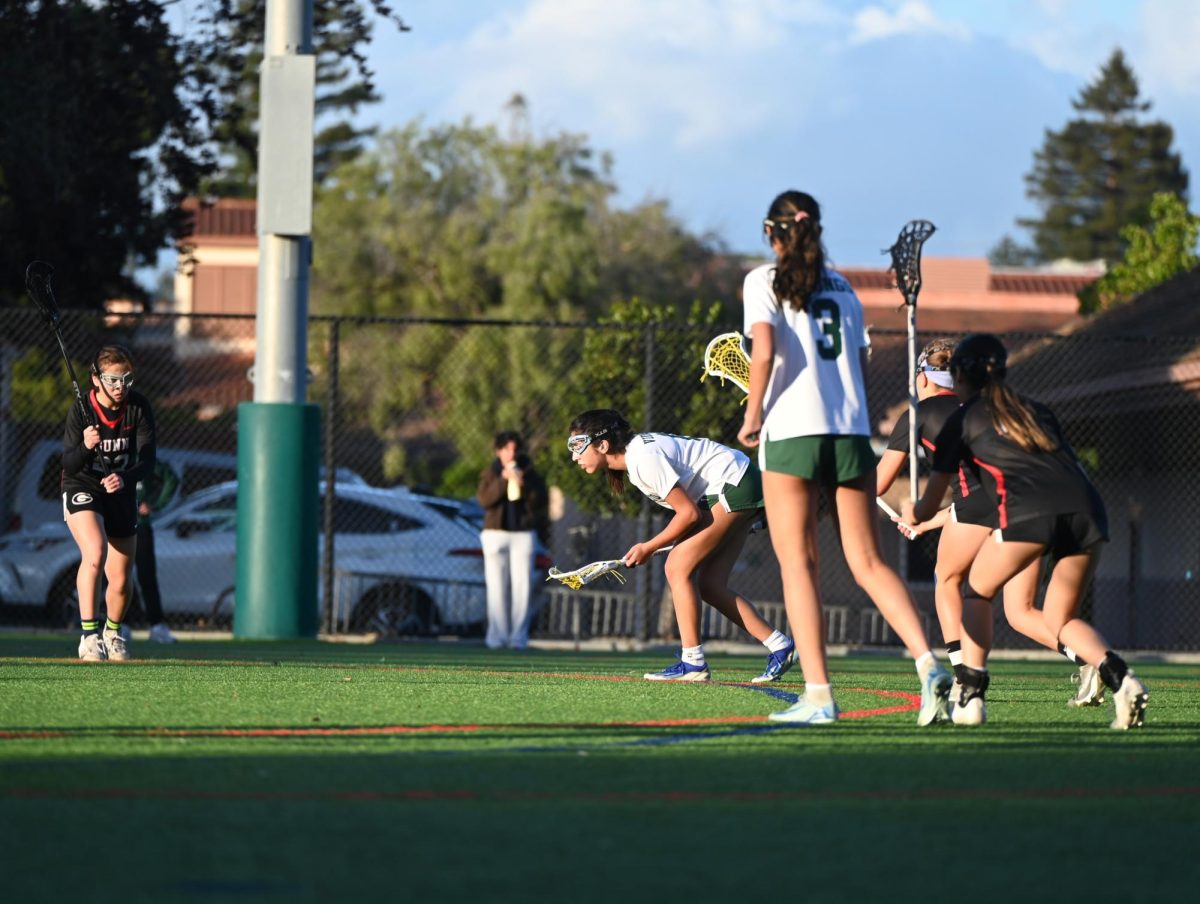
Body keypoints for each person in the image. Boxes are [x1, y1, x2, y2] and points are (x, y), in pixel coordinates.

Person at [737, 189, 952, 726]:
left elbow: (763, 351)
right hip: (851, 435)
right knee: (869, 562)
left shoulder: (761, 280)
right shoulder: (844, 289)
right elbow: (856, 360)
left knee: (799, 564)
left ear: (772, 231)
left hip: (792, 436)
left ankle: (819, 695)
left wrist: (752, 412)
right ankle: (929, 663)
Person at [903, 333, 1148, 729]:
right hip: (1088, 510)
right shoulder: (1035, 410)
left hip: (1029, 514)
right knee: (1059, 618)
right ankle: (1121, 679)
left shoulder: (960, 420)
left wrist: (914, 513)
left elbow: (929, 504)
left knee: (976, 591)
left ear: (961, 376)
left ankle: (972, 694)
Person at [877, 337, 1046, 723]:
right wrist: (927, 522)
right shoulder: (998, 410)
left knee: (949, 579)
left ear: (923, 377)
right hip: (1031, 509)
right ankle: (1097, 663)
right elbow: (985, 486)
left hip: (975, 511)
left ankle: (962, 679)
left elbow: (880, 483)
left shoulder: (920, 414)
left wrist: (839, 481)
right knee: (1022, 612)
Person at [567, 409, 796, 683]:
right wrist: (660, 544)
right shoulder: (636, 459)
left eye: (577, 445)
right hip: (736, 484)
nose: (574, 456)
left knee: (676, 567)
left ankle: (693, 663)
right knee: (710, 585)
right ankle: (780, 646)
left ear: (602, 444)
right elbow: (690, 514)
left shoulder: (641, 460)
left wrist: (649, 546)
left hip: (732, 485)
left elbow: (688, 514)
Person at [62, 344, 156, 661]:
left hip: (120, 487)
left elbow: (148, 461)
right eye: (113, 379)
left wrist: (125, 478)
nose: (120, 387)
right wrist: (87, 446)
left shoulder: (138, 408)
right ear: (96, 379)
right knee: (95, 551)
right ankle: (89, 635)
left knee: (120, 576)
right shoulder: (81, 410)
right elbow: (70, 464)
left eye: (126, 379)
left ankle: (112, 633)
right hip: (83, 484)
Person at [476, 431, 549, 649]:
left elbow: (539, 501)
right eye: (506, 449)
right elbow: (484, 500)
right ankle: (496, 638)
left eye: (515, 449)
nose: (511, 453)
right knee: (497, 588)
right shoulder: (490, 472)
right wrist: (502, 480)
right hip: (495, 535)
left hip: (522, 535)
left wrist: (523, 482)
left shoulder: (530, 471)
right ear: (498, 451)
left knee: (522, 587)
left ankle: (518, 638)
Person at [135, 458, 180, 644]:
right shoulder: (109, 453)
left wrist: (155, 505)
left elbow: (171, 478)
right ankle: (119, 626)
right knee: (115, 577)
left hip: (140, 526)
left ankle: (156, 625)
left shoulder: (143, 457)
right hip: (114, 525)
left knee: (146, 575)